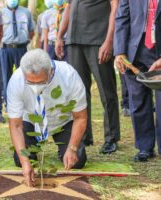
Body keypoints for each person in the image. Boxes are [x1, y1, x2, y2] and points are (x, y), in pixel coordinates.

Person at [7, 49, 87, 187]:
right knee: (20, 160)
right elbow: (16, 125)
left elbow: (80, 117)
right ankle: (32, 152)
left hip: (62, 122)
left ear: (50, 72)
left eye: (41, 82)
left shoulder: (69, 75)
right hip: (31, 122)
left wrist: (72, 148)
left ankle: (64, 150)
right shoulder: (16, 80)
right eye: (30, 82)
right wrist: (25, 162)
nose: (36, 87)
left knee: (78, 161)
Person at [55, 0, 120, 154]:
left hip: (98, 40)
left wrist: (109, 41)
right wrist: (59, 36)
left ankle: (111, 137)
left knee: (106, 90)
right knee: (78, 93)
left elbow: (115, 6)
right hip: (74, 41)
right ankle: (84, 135)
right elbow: (69, 7)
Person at [114, 0, 161, 161]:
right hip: (135, 51)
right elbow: (121, 18)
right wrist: (119, 51)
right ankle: (144, 147)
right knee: (138, 101)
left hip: (159, 51)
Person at [0, 0, 35, 103]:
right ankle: (8, 103)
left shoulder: (26, 12)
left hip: (21, 48)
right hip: (6, 49)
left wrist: (25, 42)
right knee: (6, 77)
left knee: (24, 76)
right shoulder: (0, 13)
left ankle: (24, 102)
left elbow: (31, 30)